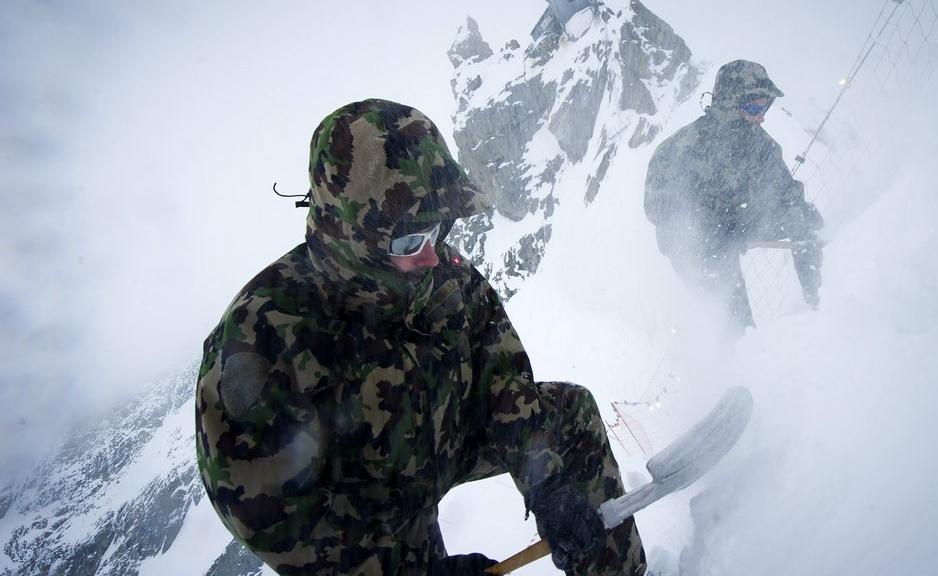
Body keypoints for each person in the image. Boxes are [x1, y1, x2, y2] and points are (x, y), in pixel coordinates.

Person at [195, 99, 646, 576]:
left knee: (572, 416)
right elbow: (273, 518)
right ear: (353, 237)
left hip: (444, 444)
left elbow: (502, 381)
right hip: (370, 516)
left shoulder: (443, 274)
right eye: (410, 241)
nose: (431, 255)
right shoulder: (263, 336)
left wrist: (548, 485)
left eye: (436, 231)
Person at [644, 60, 824, 329]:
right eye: (754, 107)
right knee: (733, 315)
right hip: (700, 242)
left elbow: (786, 194)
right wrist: (708, 220)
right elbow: (657, 206)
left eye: (765, 107)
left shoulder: (760, 145)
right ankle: (740, 349)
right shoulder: (681, 148)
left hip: (740, 220)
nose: (761, 116)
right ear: (730, 104)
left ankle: (820, 303)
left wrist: (796, 212)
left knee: (805, 219)